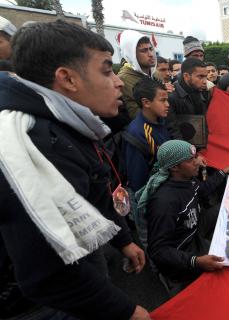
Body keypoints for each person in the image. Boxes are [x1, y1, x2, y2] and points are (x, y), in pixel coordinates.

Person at [0, 20, 149, 319]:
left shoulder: (66, 121)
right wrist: (127, 311)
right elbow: (48, 273)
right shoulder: (31, 145)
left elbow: (94, 191)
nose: (118, 81)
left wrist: (122, 240)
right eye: (107, 70)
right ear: (68, 79)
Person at [137, 140, 229, 296]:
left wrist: (223, 172)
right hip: (183, 258)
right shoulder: (164, 203)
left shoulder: (188, 180)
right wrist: (195, 261)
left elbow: (203, 190)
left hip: (194, 232)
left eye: (196, 156)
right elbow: (158, 250)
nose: (197, 162)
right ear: (175, 167)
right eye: (191, 160)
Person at [123, 78, 171, 193]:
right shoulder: (138, 133)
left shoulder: (161, 120)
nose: (168, 105)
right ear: (146, 102)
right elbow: (137, 180)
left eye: (167, 100)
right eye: (162, 100)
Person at [167, 58, 211, 147]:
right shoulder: (171, 97)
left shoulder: (201, 90)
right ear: (186, 76)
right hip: (184, 153)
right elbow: (173, 131)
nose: (205, 81)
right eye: (200, 76)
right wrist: (190, 155)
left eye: (205, 76)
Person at [118, 30, 156, 119]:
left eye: (151, 49)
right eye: (144, 51)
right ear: (132, 54)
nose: (151, 54)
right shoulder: (123, 80)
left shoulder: (155, 74)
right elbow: (135, 115)